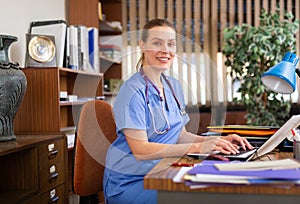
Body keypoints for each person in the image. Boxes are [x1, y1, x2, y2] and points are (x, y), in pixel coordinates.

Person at [103, 18, 253, 204]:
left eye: (171, 44)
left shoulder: (173, 86)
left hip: (164, 171)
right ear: (142, 45)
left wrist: (215, 141)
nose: (165, 50)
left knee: (225, 186)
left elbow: (180, 135)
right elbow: (140, 150)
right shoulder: (131, 91)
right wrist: (197, 147)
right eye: (157, 43)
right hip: (131, 182)